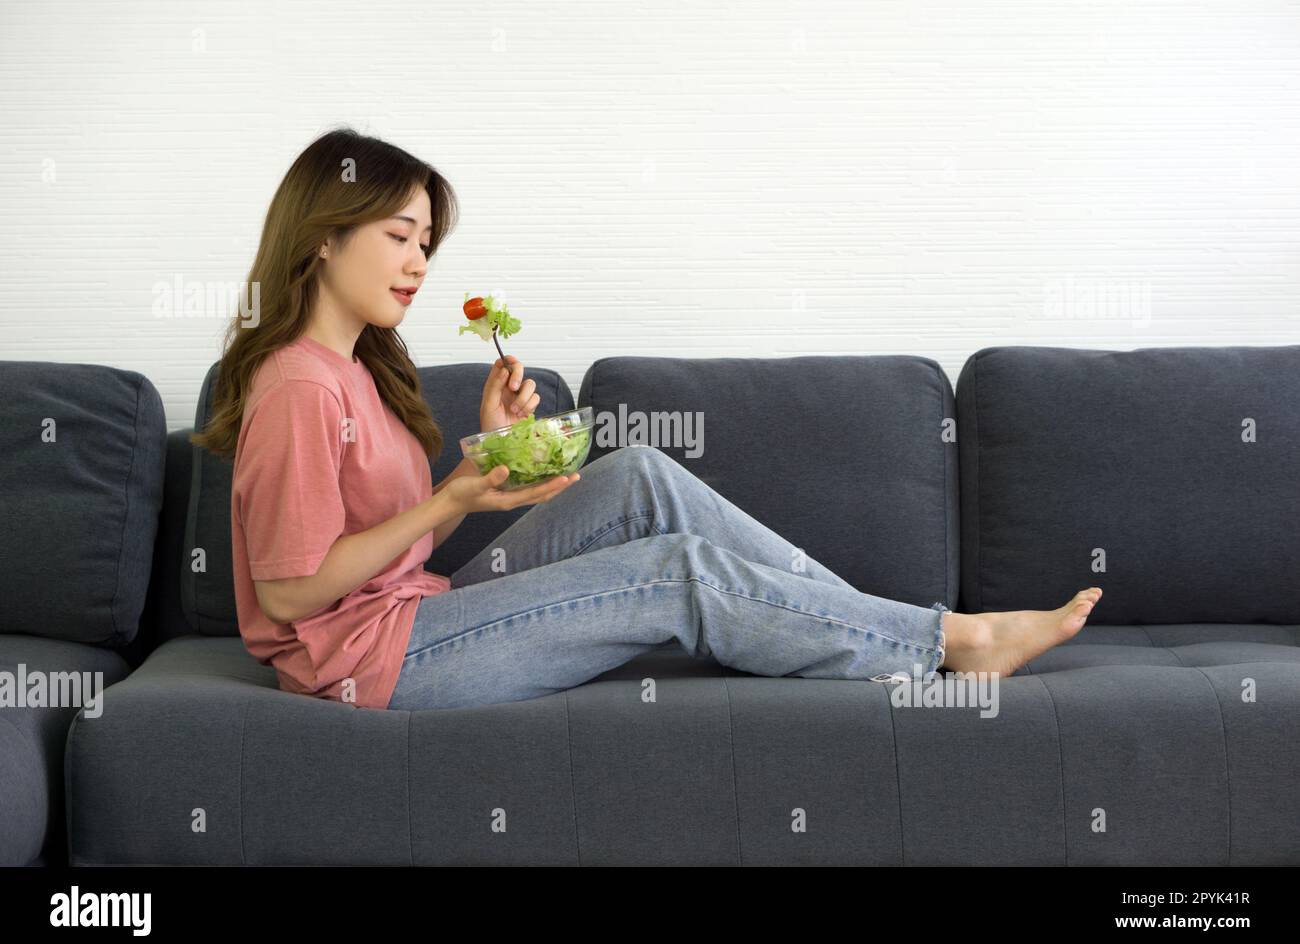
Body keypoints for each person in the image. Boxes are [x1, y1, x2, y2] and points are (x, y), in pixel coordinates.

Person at [194, 126, 1103, 712]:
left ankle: (889, 629)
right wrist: (448, 506)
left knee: (639, 477)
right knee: (674, 575)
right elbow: (290, 593)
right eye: (398, 235)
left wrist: (490, 449)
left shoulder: (358, 371)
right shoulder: (299, 386)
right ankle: (956, 640)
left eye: (426, 242)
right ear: (322, 234)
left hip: (410, 613)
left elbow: (378, 536)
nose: (419, 262)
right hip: (366, 667)